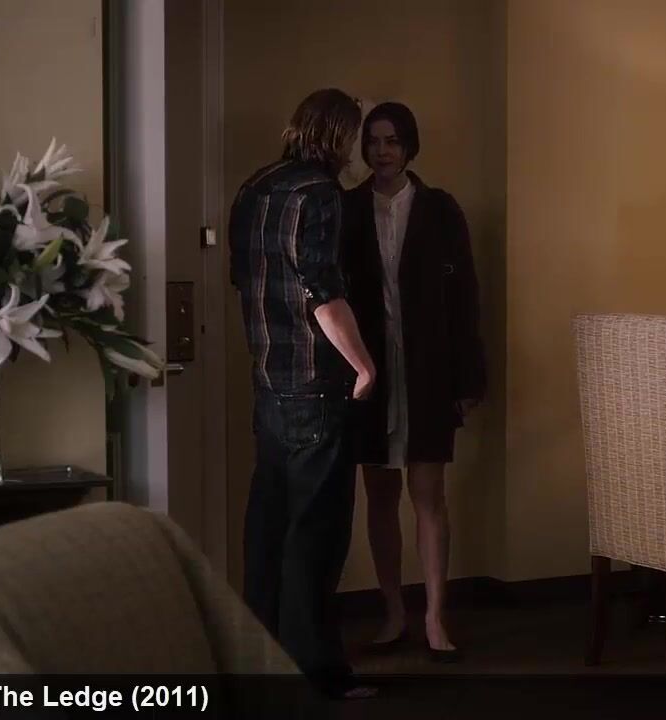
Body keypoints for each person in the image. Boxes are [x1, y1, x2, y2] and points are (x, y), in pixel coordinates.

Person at [228, 88, 377, 698]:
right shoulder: (320, 193)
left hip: (269, 381)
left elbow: (243, 280)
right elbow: (323, 290)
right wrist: (363, 365)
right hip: (316, 384)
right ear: (339, 135)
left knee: (268, 527)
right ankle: (318, 673)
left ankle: (258, 664)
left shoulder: (255, 186)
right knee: (316, 534)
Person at [341, 101, 486, 663]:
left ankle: (434, 616)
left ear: (409, 147)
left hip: (428, 370)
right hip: (370, 371)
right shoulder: (349, 209)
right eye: (374, 141)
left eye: (392, 141)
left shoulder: (440, 209)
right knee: (379, 496)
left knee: (429, 495)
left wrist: (468, 377)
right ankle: (393, 611)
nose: (382, 151)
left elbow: (465, 297)